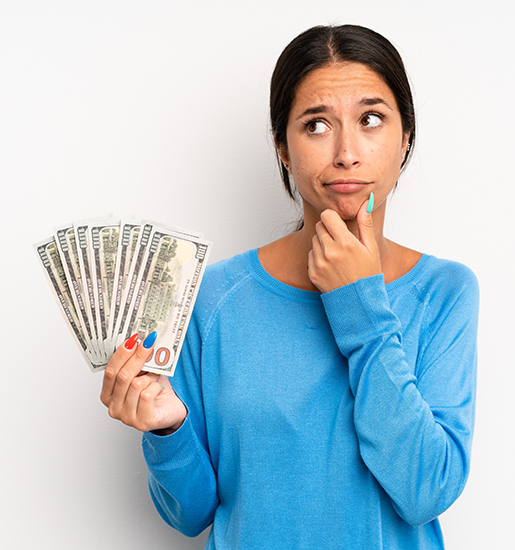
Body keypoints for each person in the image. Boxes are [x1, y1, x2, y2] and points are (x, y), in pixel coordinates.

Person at [100, 24, 479, 549]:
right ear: (283, 146)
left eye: (371, 120)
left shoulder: (444, 292)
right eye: (317, 125)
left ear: (404, 140)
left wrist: (360, 306)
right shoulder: (211, 298)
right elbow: (190, 515)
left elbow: (426, 490)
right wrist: (167, 431)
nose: (347, 152)